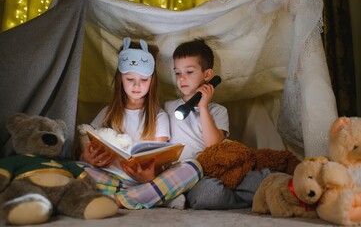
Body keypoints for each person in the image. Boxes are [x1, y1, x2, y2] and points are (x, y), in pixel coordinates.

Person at [79, 37, 203, 209]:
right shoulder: (108, 112)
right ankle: (156, 197)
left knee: (192, 167)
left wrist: (149, 177)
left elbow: (160, 162)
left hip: (147, 181)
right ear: (120, 78)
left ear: (152, 81)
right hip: (113, 178)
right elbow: (87, 141)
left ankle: (121, 199)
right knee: (76, 169)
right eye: (130, 79)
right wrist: (86, 159)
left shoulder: (159, 117)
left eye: (144, 80)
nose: (137, 86)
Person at [165, 38, 270, 209]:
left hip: (217, 169)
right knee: (210, 195)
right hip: (190, 177)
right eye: (177, 72)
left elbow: (213, 144)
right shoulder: (169, 108)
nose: (182, 78)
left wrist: (203, 107)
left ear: (207, 75)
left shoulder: (217, 111)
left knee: (258, 181)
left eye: (189, 72)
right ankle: (239, 199)